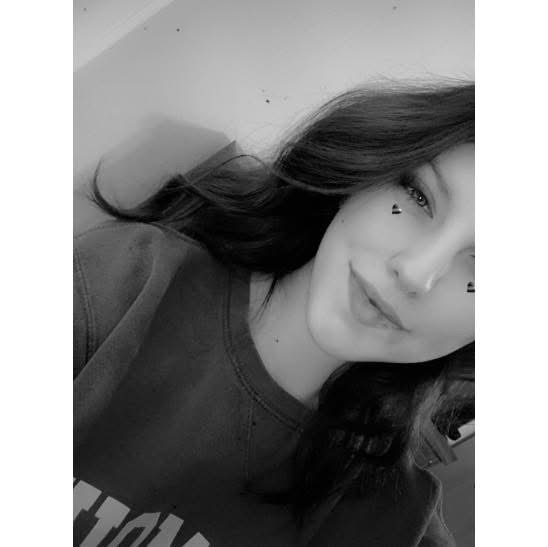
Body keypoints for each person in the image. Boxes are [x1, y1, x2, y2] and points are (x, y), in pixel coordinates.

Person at [74, 80, 474, 546]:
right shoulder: (129, 283)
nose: (415, 273)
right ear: (368, 168)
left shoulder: (389, 518)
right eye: (418, 196)